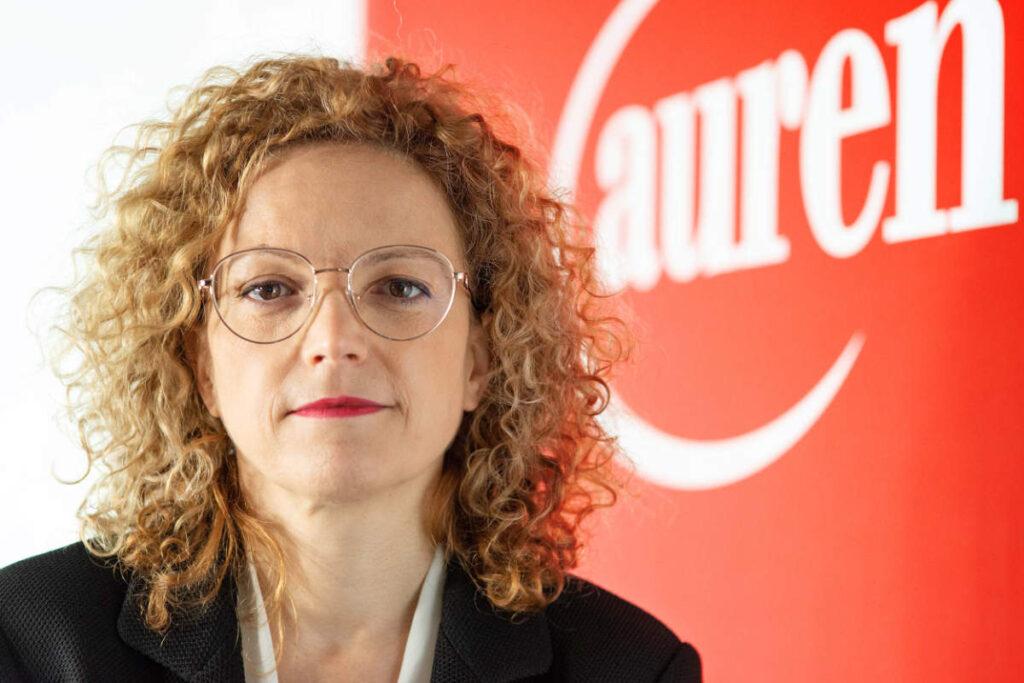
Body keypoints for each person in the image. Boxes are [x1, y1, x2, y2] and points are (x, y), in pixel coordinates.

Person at [0, 55, 702, 682]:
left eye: (399, 286)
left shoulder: (631, 669)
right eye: (269, 289)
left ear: (481, 361)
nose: (334, 341)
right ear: (201, 365)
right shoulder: (33, 642)